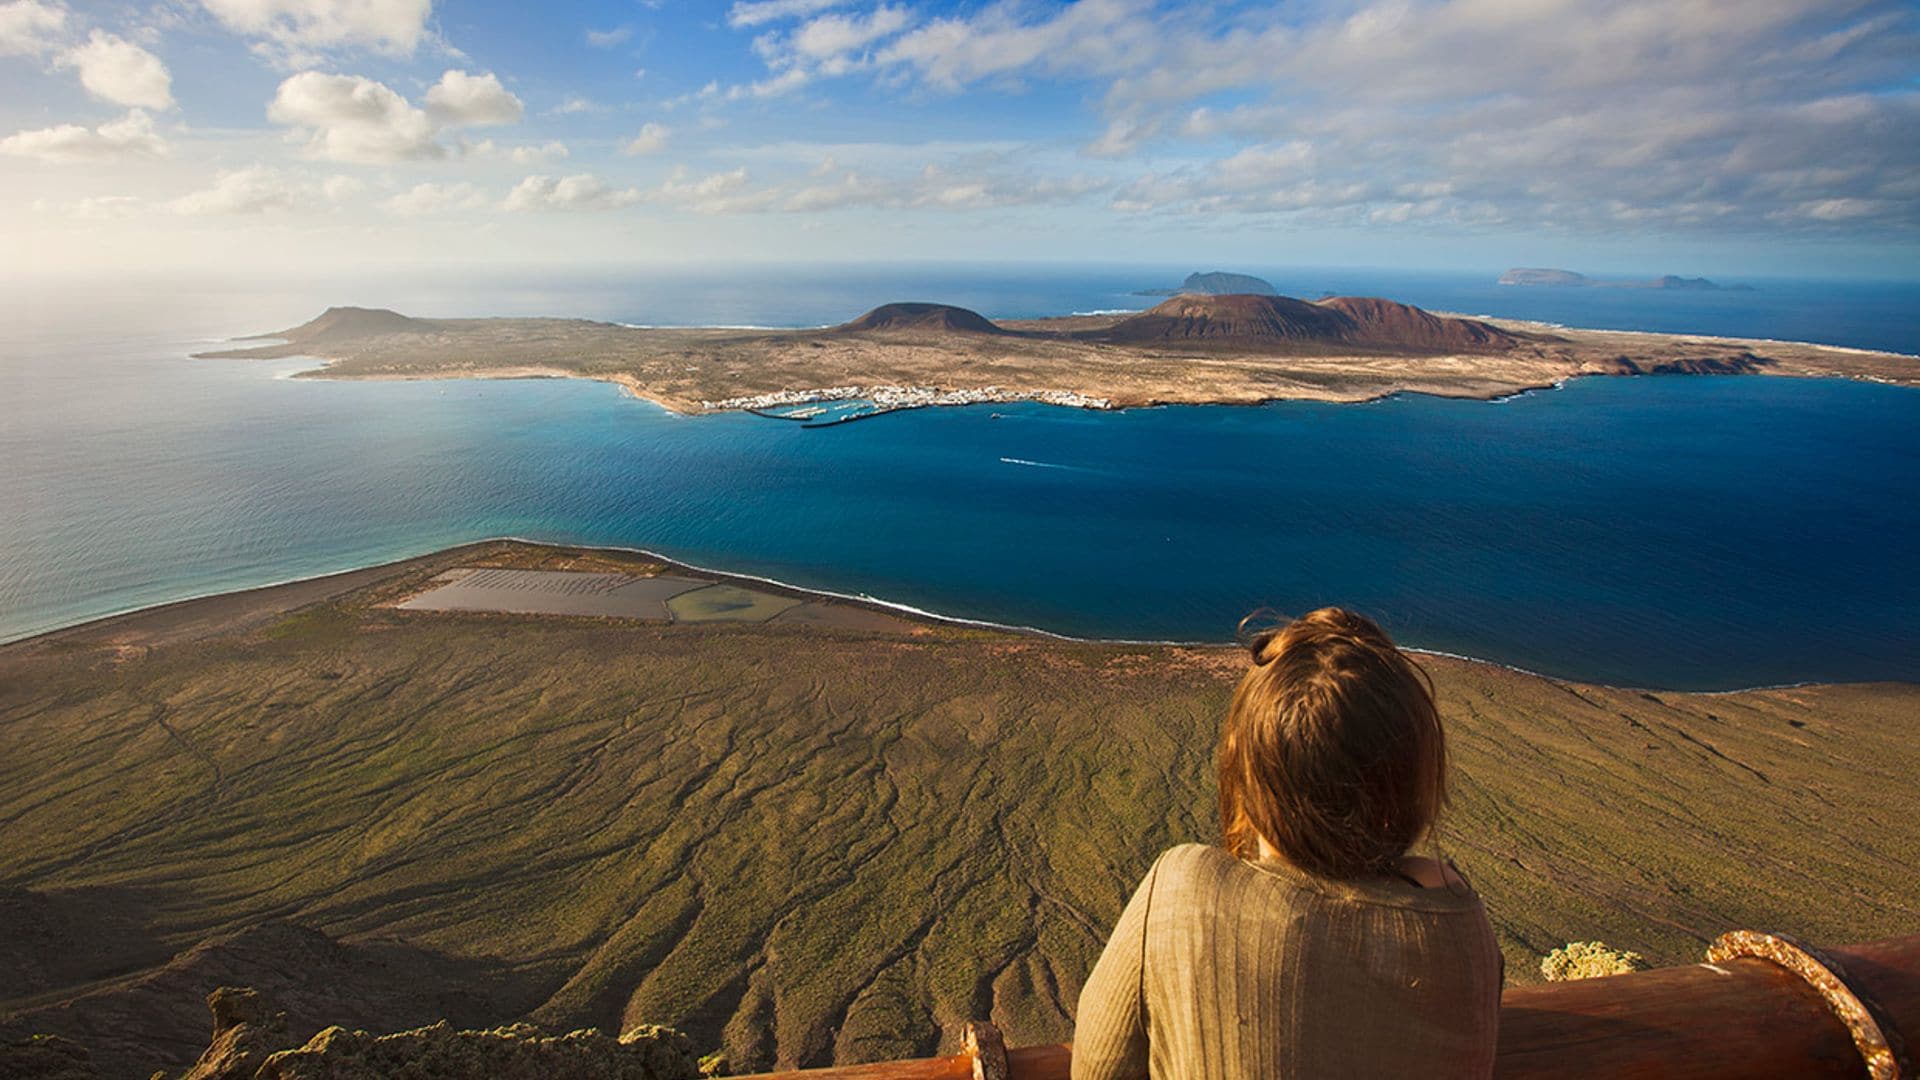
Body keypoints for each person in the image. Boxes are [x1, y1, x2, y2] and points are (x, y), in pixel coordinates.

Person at [1072, 607, 1502, 1079]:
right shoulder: (1462, 923)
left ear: (1249, 771)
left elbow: (1097, 1068)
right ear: (1414, 774)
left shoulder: (1184, 891)